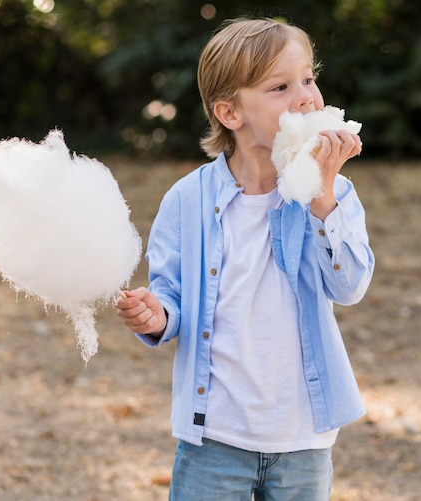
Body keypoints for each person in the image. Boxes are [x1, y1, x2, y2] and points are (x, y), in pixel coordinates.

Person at [116, 17, 374, 500]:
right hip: (215, 435)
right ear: (231, 113)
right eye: (281, 86)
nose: (305, 97)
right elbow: (170, 296)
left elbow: (350, 287)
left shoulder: (332, 191)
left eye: (308, 79)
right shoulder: (186, 200)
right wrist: (157, 315)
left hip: (302, 437)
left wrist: (322, 195)